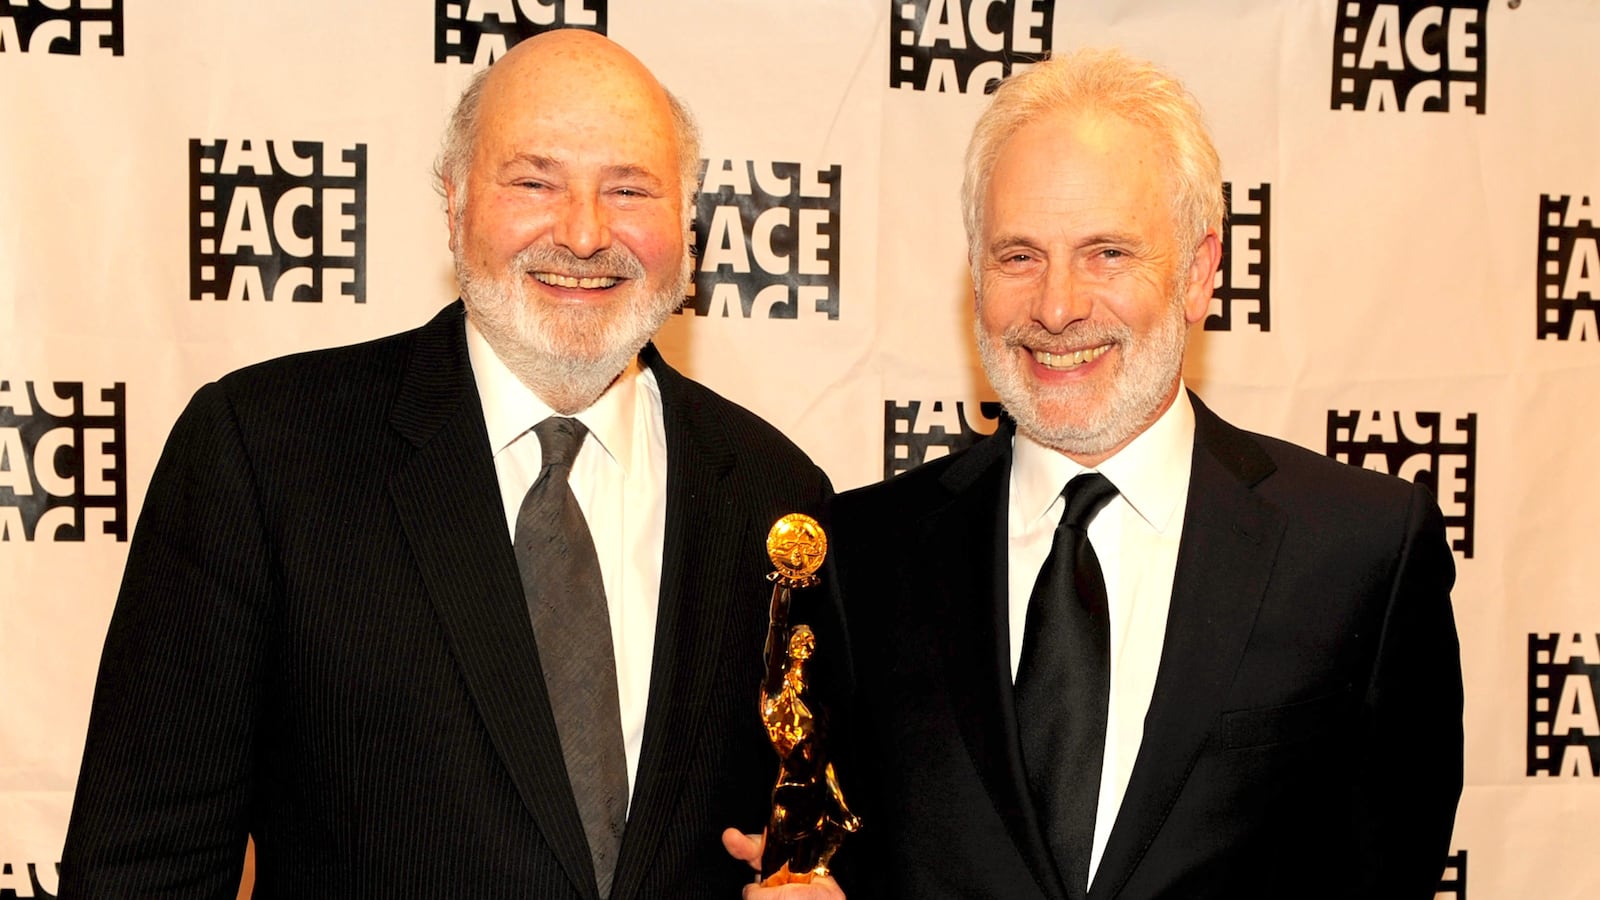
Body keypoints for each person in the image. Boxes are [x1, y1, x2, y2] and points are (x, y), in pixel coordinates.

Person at [59, 30, 836, 899]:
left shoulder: (777, 498)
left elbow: (825, 825)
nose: (585, 233)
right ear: (456, 199)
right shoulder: (263, 453)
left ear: (687, 220)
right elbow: (143, 865)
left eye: (628, 189)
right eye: (535, 182)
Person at [830, 48, 1463, 899]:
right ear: (975, 272)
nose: (1057, 307)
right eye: (1019, 256)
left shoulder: (1359, 553)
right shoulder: (861, 556)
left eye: (1107, 253)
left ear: (1198, 274)